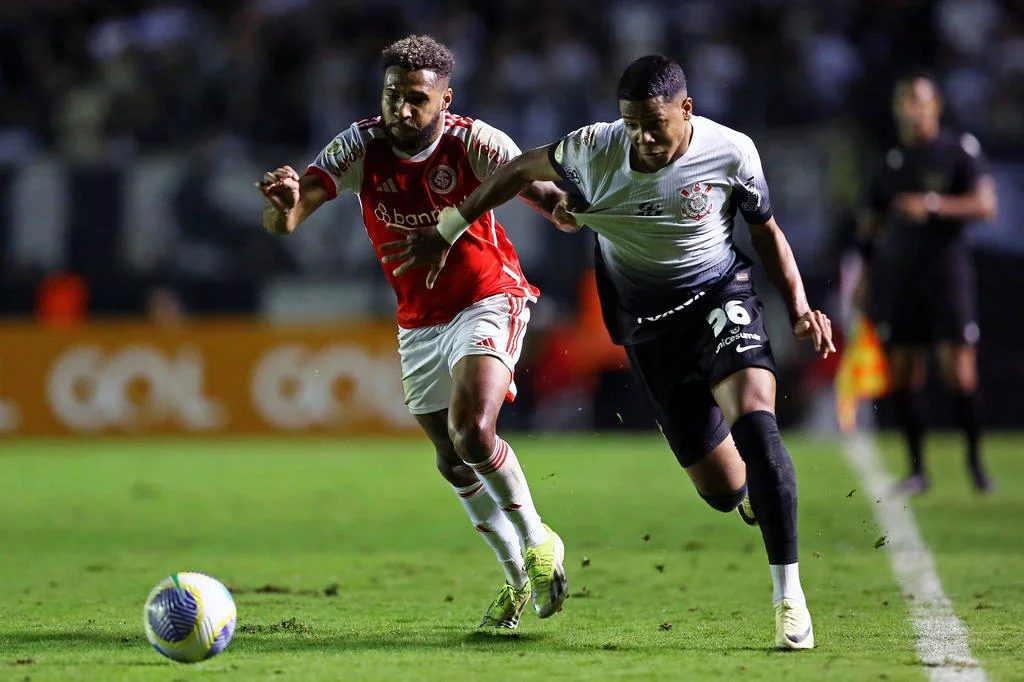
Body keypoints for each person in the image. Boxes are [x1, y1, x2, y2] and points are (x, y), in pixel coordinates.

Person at [386, 55, 835, 650]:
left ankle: (789, 601)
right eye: (631, 125)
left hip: (719, 300)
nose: (643, 138)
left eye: (655, 124)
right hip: (649, 330)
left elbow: (766, 231)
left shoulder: (732, 152)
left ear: (686, 111)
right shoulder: (594, 148)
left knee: (757, 425)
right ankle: (750, 500)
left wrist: (800, 306)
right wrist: (449, 228)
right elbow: (520, 168)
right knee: (725, 491)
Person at [256, 35, 569, 630]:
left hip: (488, 295)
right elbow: (287, 221)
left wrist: (577, 208)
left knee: (474, 431)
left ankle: (538, 540)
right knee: (452, 461)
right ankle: (514, 579)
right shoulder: (360, 145)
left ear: (445, 100)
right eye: (393, 95)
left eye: (417, 100)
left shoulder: (474, 142)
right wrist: (283, 204)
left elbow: (549, 199)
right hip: (418, 320)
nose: (403, 110)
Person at [857, 74, 998, 495]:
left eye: (918, 99)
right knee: (903, 371)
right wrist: (864, 275)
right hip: (900, 277)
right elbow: (872, 222)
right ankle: (917, 470)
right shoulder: (890, 160)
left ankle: (975, 464)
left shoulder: (959, 149)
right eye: (904, 99)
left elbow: (986, 205)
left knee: (958, 370)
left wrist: (933, 204)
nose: (911, 108)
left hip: (946, 274)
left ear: (935, 105)